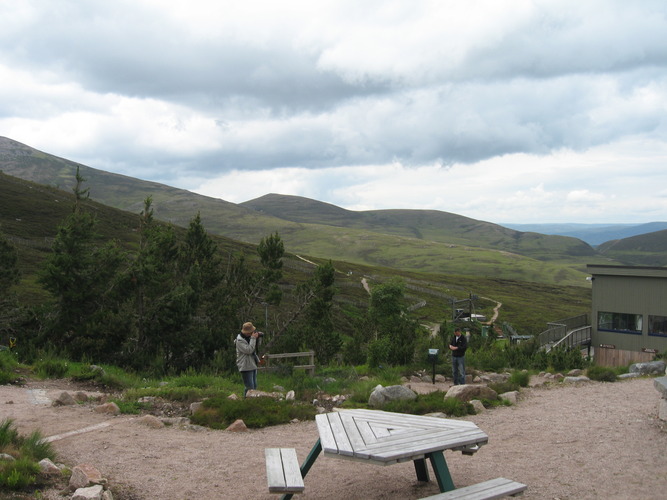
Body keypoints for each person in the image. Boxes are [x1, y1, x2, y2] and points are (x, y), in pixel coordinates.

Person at [235, 322, 261, 397]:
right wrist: (253, 338)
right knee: (250, 387)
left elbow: (254, 348)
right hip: (245, 366)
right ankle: (248, 403)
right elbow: (249, 350)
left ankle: (246, 401)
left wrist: (256, 339)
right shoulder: (239, 341)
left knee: (254, 386)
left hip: (252, 364)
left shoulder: (249, 338)